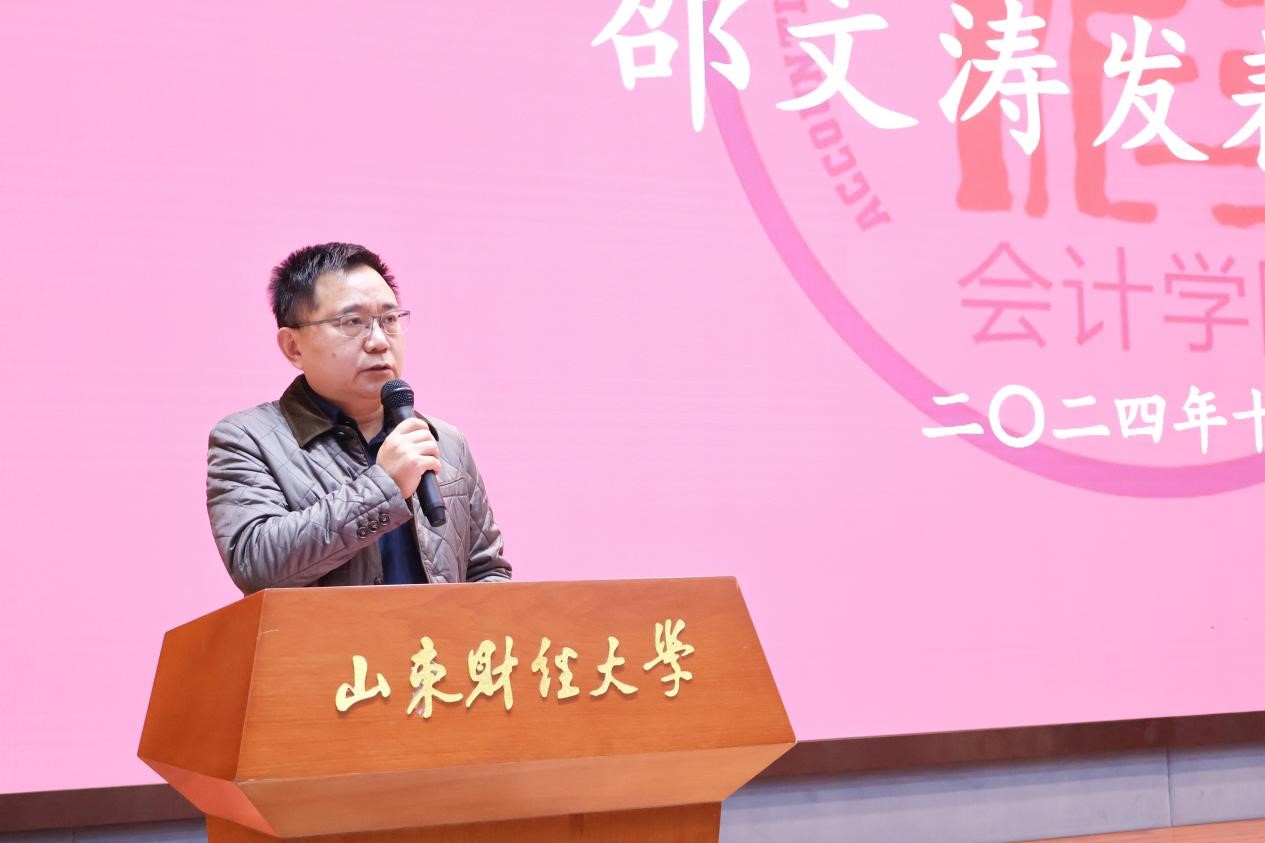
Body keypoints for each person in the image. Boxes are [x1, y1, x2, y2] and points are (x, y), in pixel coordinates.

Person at [206, 242, 510, 595]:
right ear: (293, 346)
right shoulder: (247, 439)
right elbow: (256, 565)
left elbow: (487, 570)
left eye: (389, 320)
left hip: (437, 635)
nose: (379, 341)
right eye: (352, 322)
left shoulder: (445, 440)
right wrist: (384, 486)